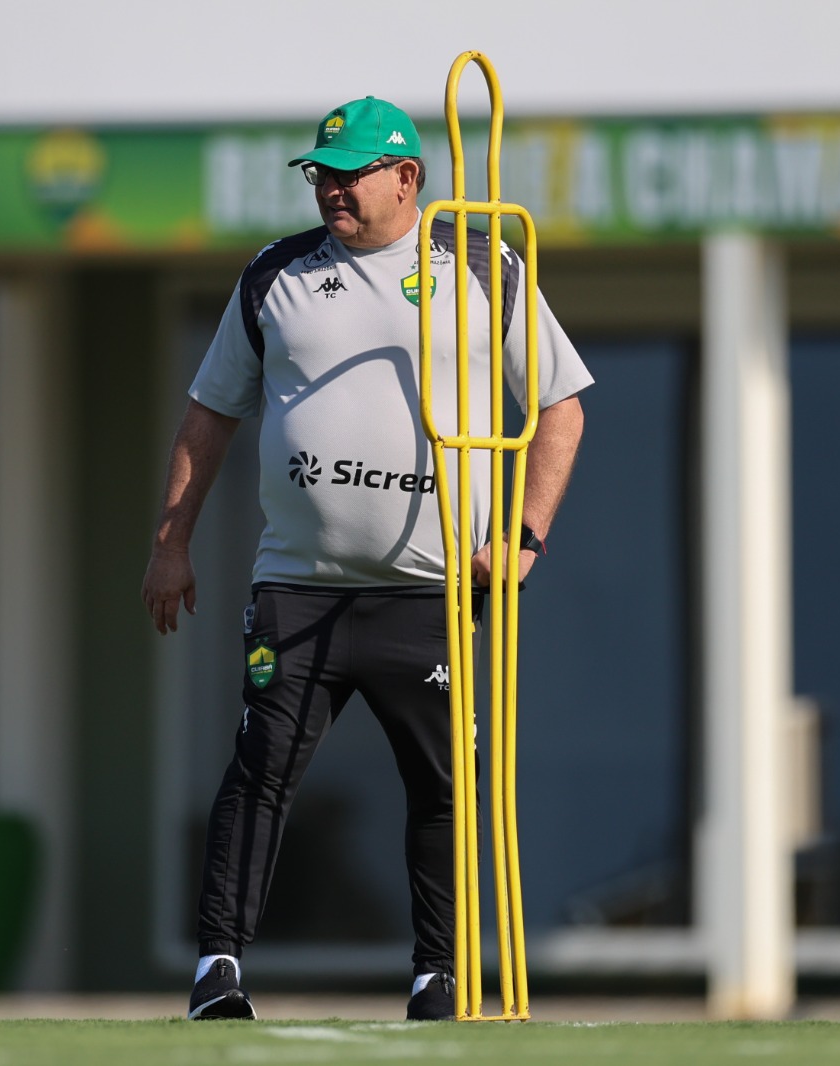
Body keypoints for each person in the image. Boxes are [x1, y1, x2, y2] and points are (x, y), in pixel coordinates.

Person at [141, 96, 592, 1022]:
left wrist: (526, 536)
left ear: (407, 177)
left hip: (430, 589)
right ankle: (217, 973)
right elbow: (210, 411)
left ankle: (439, 976)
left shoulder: (483, 264)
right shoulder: (275, 275)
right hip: (298, 590)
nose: (332, 189)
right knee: (259, 771)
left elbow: (560, 405)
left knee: (444, 788)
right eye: (321, 174)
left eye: (349, 173)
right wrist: (171, 542)